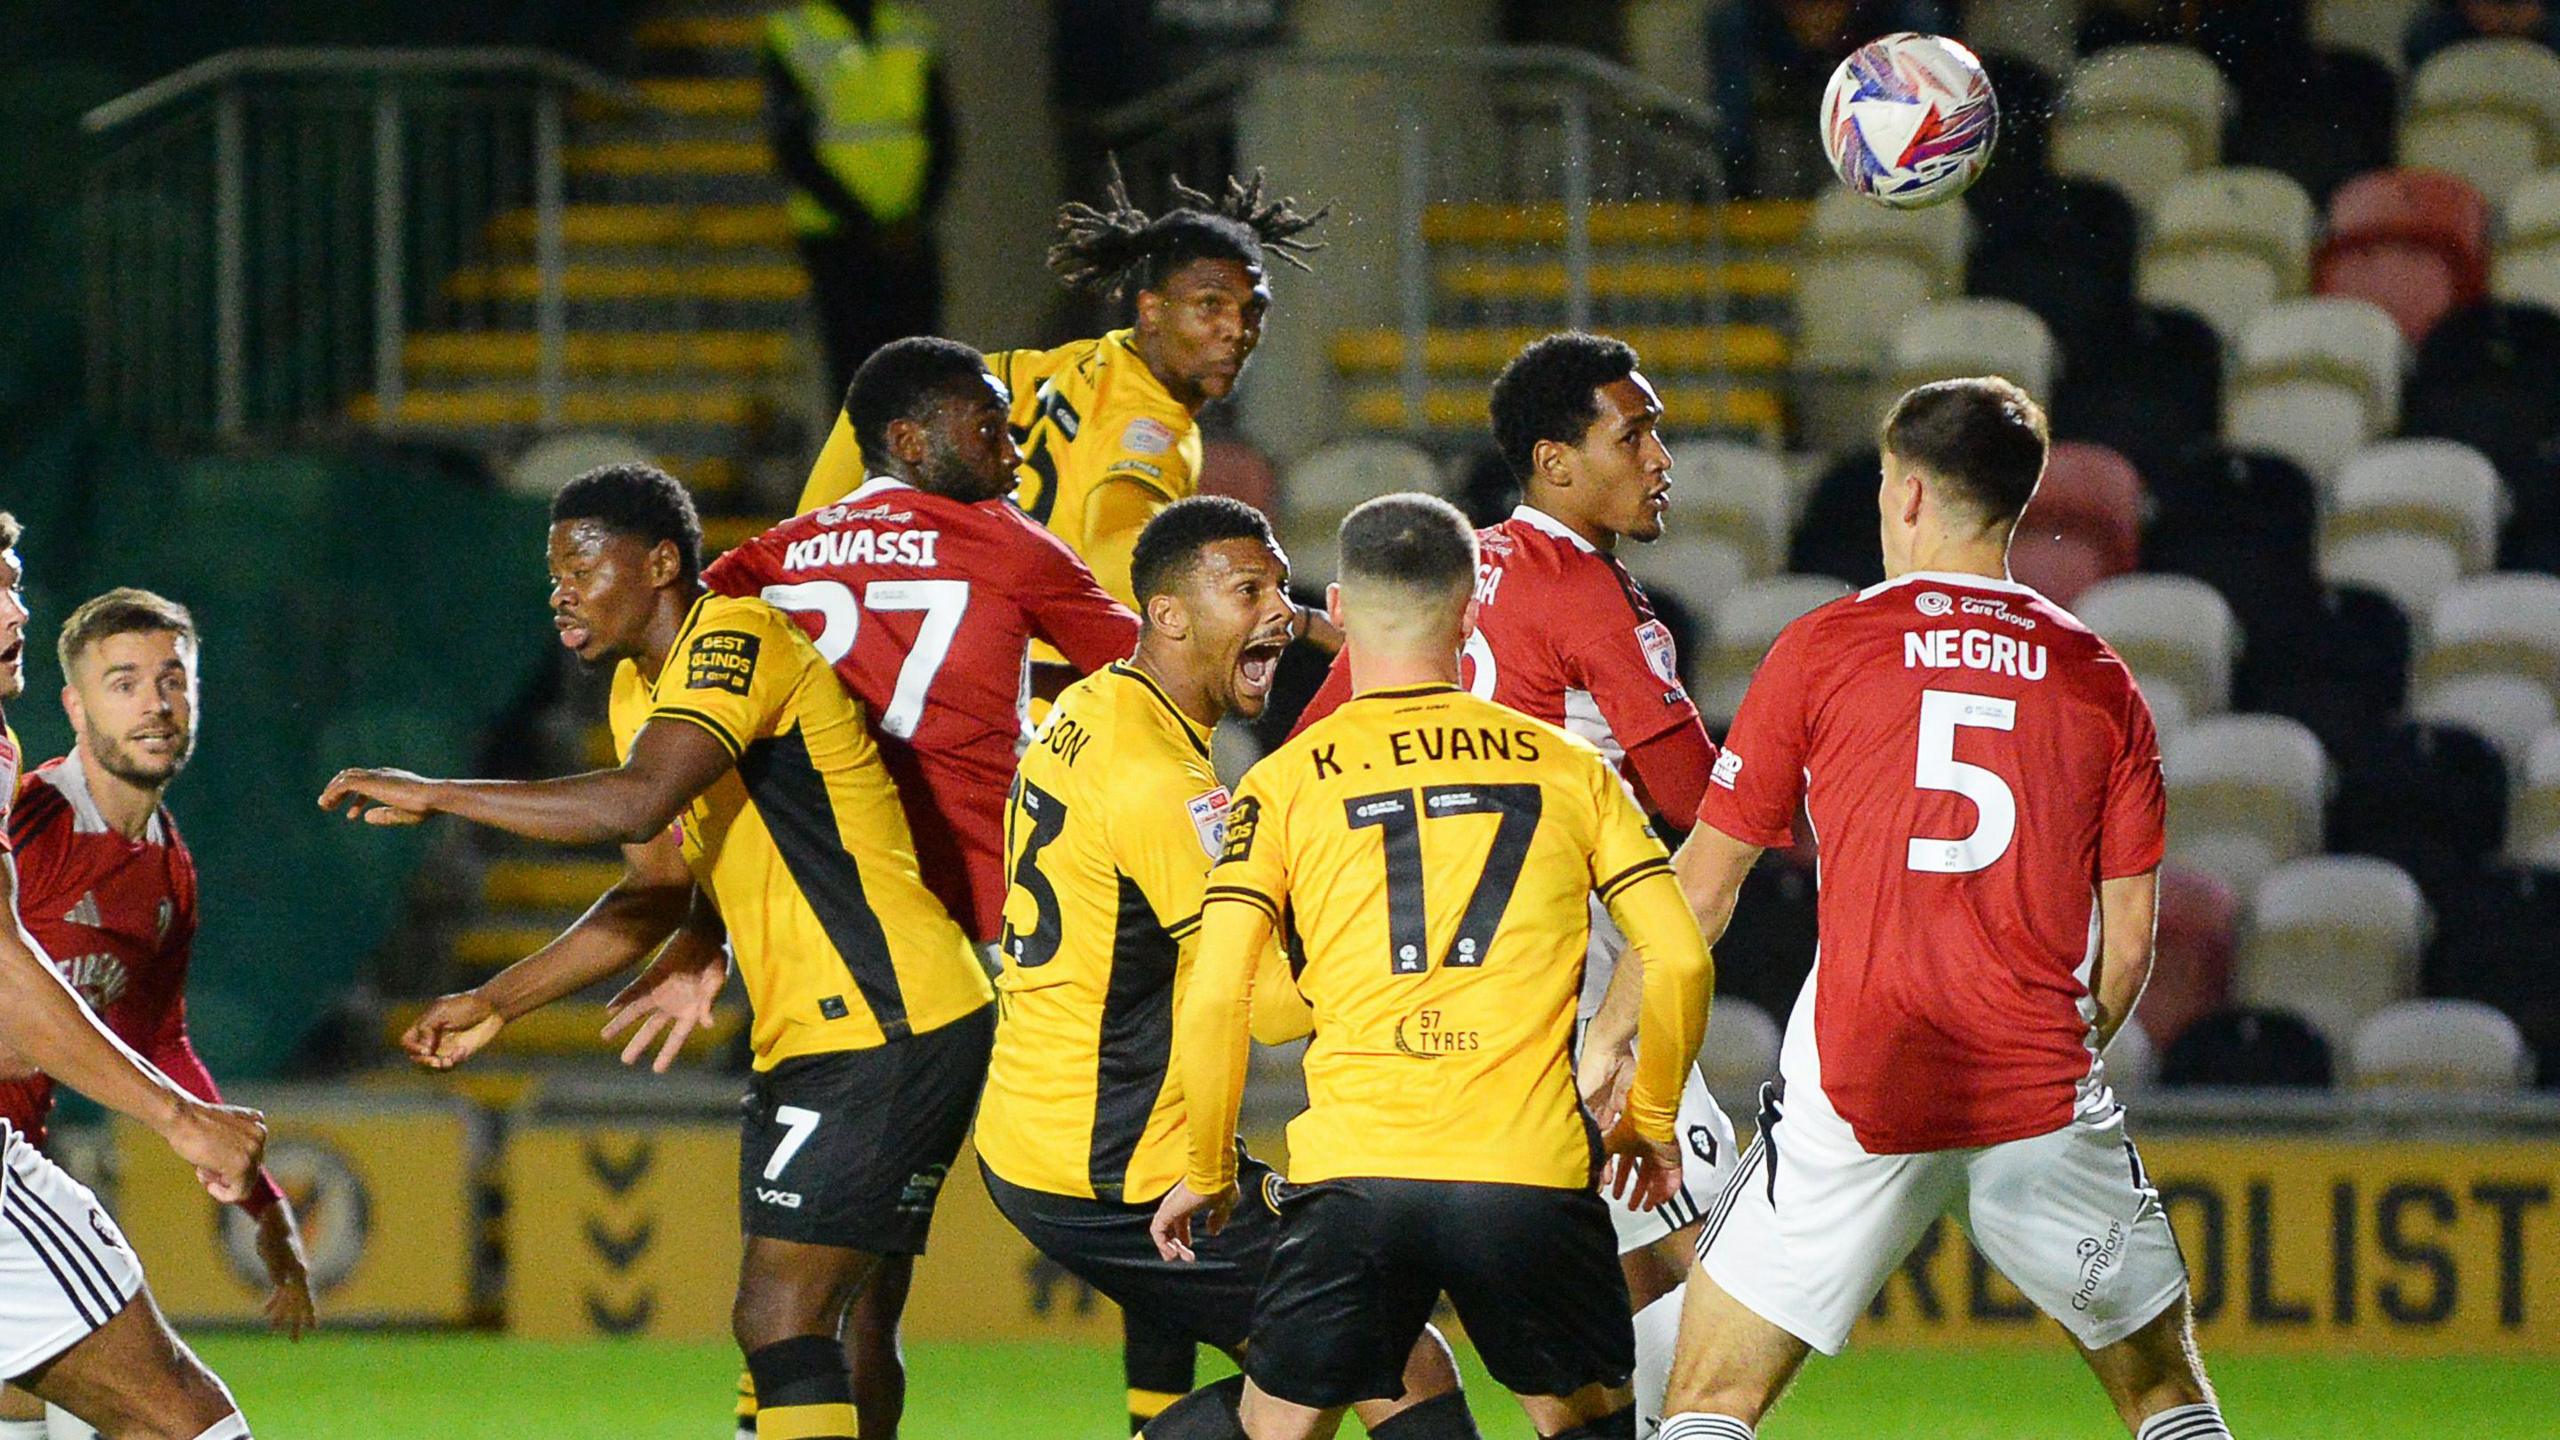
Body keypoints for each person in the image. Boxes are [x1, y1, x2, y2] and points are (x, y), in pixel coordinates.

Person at [320, 465, 996, 1440]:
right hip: (831, 1029)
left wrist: (440, 791)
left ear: (663, 562)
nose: (561, 590)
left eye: (582, 565)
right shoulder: (641, 697)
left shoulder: (735, 638)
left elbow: (635, 802)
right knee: (837, 1316)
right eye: (552, 573)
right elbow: (655, 891)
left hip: (888, 1020)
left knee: (778, 1313)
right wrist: (500, 999)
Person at [1653, 379, 2228, 1440]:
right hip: (2033, 1086)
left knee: (1706, 1402)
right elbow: (2132, 939)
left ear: (1908, 494)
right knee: (2160, 1394)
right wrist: (2063, 1051)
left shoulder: (1825, 646)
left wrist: (1615, 1040)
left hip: (1860, 1081)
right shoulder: (2097, 677)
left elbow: (1704, 885)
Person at [1150, 493, 1717, 1440]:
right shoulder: (1568, 766)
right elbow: (1680, 956)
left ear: (1337, 603)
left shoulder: (1282, 781)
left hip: (1354, 1178)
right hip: (1526, 1171)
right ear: (1469, 611)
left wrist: (1208, 1167)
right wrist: (1648, 1117)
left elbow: (1217, 992)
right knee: (1587, 1423)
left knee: (1273, 1427)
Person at [680, 337, 1139, 1437]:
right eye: (988, 425)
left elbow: (688, 684)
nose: (1013, 448)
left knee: (820, 1292)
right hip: (975, 933)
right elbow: (1148, 671)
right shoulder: (1006, 544)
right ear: (907, 438)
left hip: (821, 932)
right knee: (851, 1292)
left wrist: (699, 915)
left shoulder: (766, 559)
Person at [1290, 332, 1737, 1423]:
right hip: (1558, 950)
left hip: (1412, 956)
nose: (1660, 457)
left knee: (1593, 1265)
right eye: (1633, 434)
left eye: (1657, 432)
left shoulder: (1435, 581)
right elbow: (1696, 798)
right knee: (1729, 1258)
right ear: (1554, 462)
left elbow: (1312, 748)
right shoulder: (1587, 592)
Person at [975, 497, 1479, 1440]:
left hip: (1046, 1125)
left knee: (1304, 1385)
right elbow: (1276, 1011)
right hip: (1114, 1159)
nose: (1281, 611)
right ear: (1168, 613)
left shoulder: (1090, 705)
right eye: (1248, 589)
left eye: (1282, 586)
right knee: (1396, 1357)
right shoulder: (1165, 786)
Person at [0, 590, 315, 1440]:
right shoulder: (29, 819)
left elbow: (159, 1036)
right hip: (8, 1180)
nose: (155, 703)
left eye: (173, 680)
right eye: (124, 681)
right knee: (179, 1417)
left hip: (23, 1170)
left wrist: (264, 1202)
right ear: (74, 704)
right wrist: (182, 1124)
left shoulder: (169, 871)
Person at [795, 165, 1332, 641]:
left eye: (1252, 310)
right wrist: (1274, 608)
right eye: (1209, 306)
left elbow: (876, 406)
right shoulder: (1155, 425)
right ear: (1151, 310)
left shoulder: (1017, 370)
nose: (1236, 330)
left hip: (917, 665)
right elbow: (1116, 546)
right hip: (1035, 708)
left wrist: (806, 543)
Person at [763, 0, 958, 406]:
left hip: (909, 234)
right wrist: (868, 223)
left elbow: (943, 130)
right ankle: (863, 470)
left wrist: (915, 216)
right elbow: (792, 148)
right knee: (856, 376)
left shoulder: (910, 28)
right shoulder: (792, 33)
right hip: (838, 238)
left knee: (922, 374)